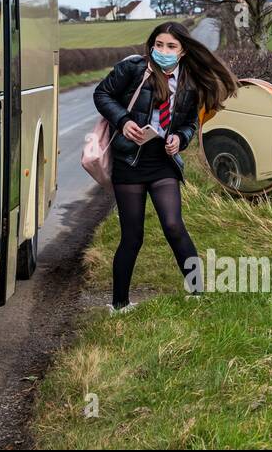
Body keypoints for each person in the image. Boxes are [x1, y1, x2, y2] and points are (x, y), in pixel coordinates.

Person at [92, 21, 239, 312]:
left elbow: (189, 123)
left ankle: (197, 294)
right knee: (132, 236)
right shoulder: (133, 69)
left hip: (162, 163)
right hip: (129, 162)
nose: (163, 51)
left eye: (171, 46)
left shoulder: (189, 81)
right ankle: (119, 305)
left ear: (183, 51)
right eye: (158, 45)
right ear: (151, 46)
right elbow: (102, 95)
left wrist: (179, 139)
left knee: (174, 225)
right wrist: (124, 122)